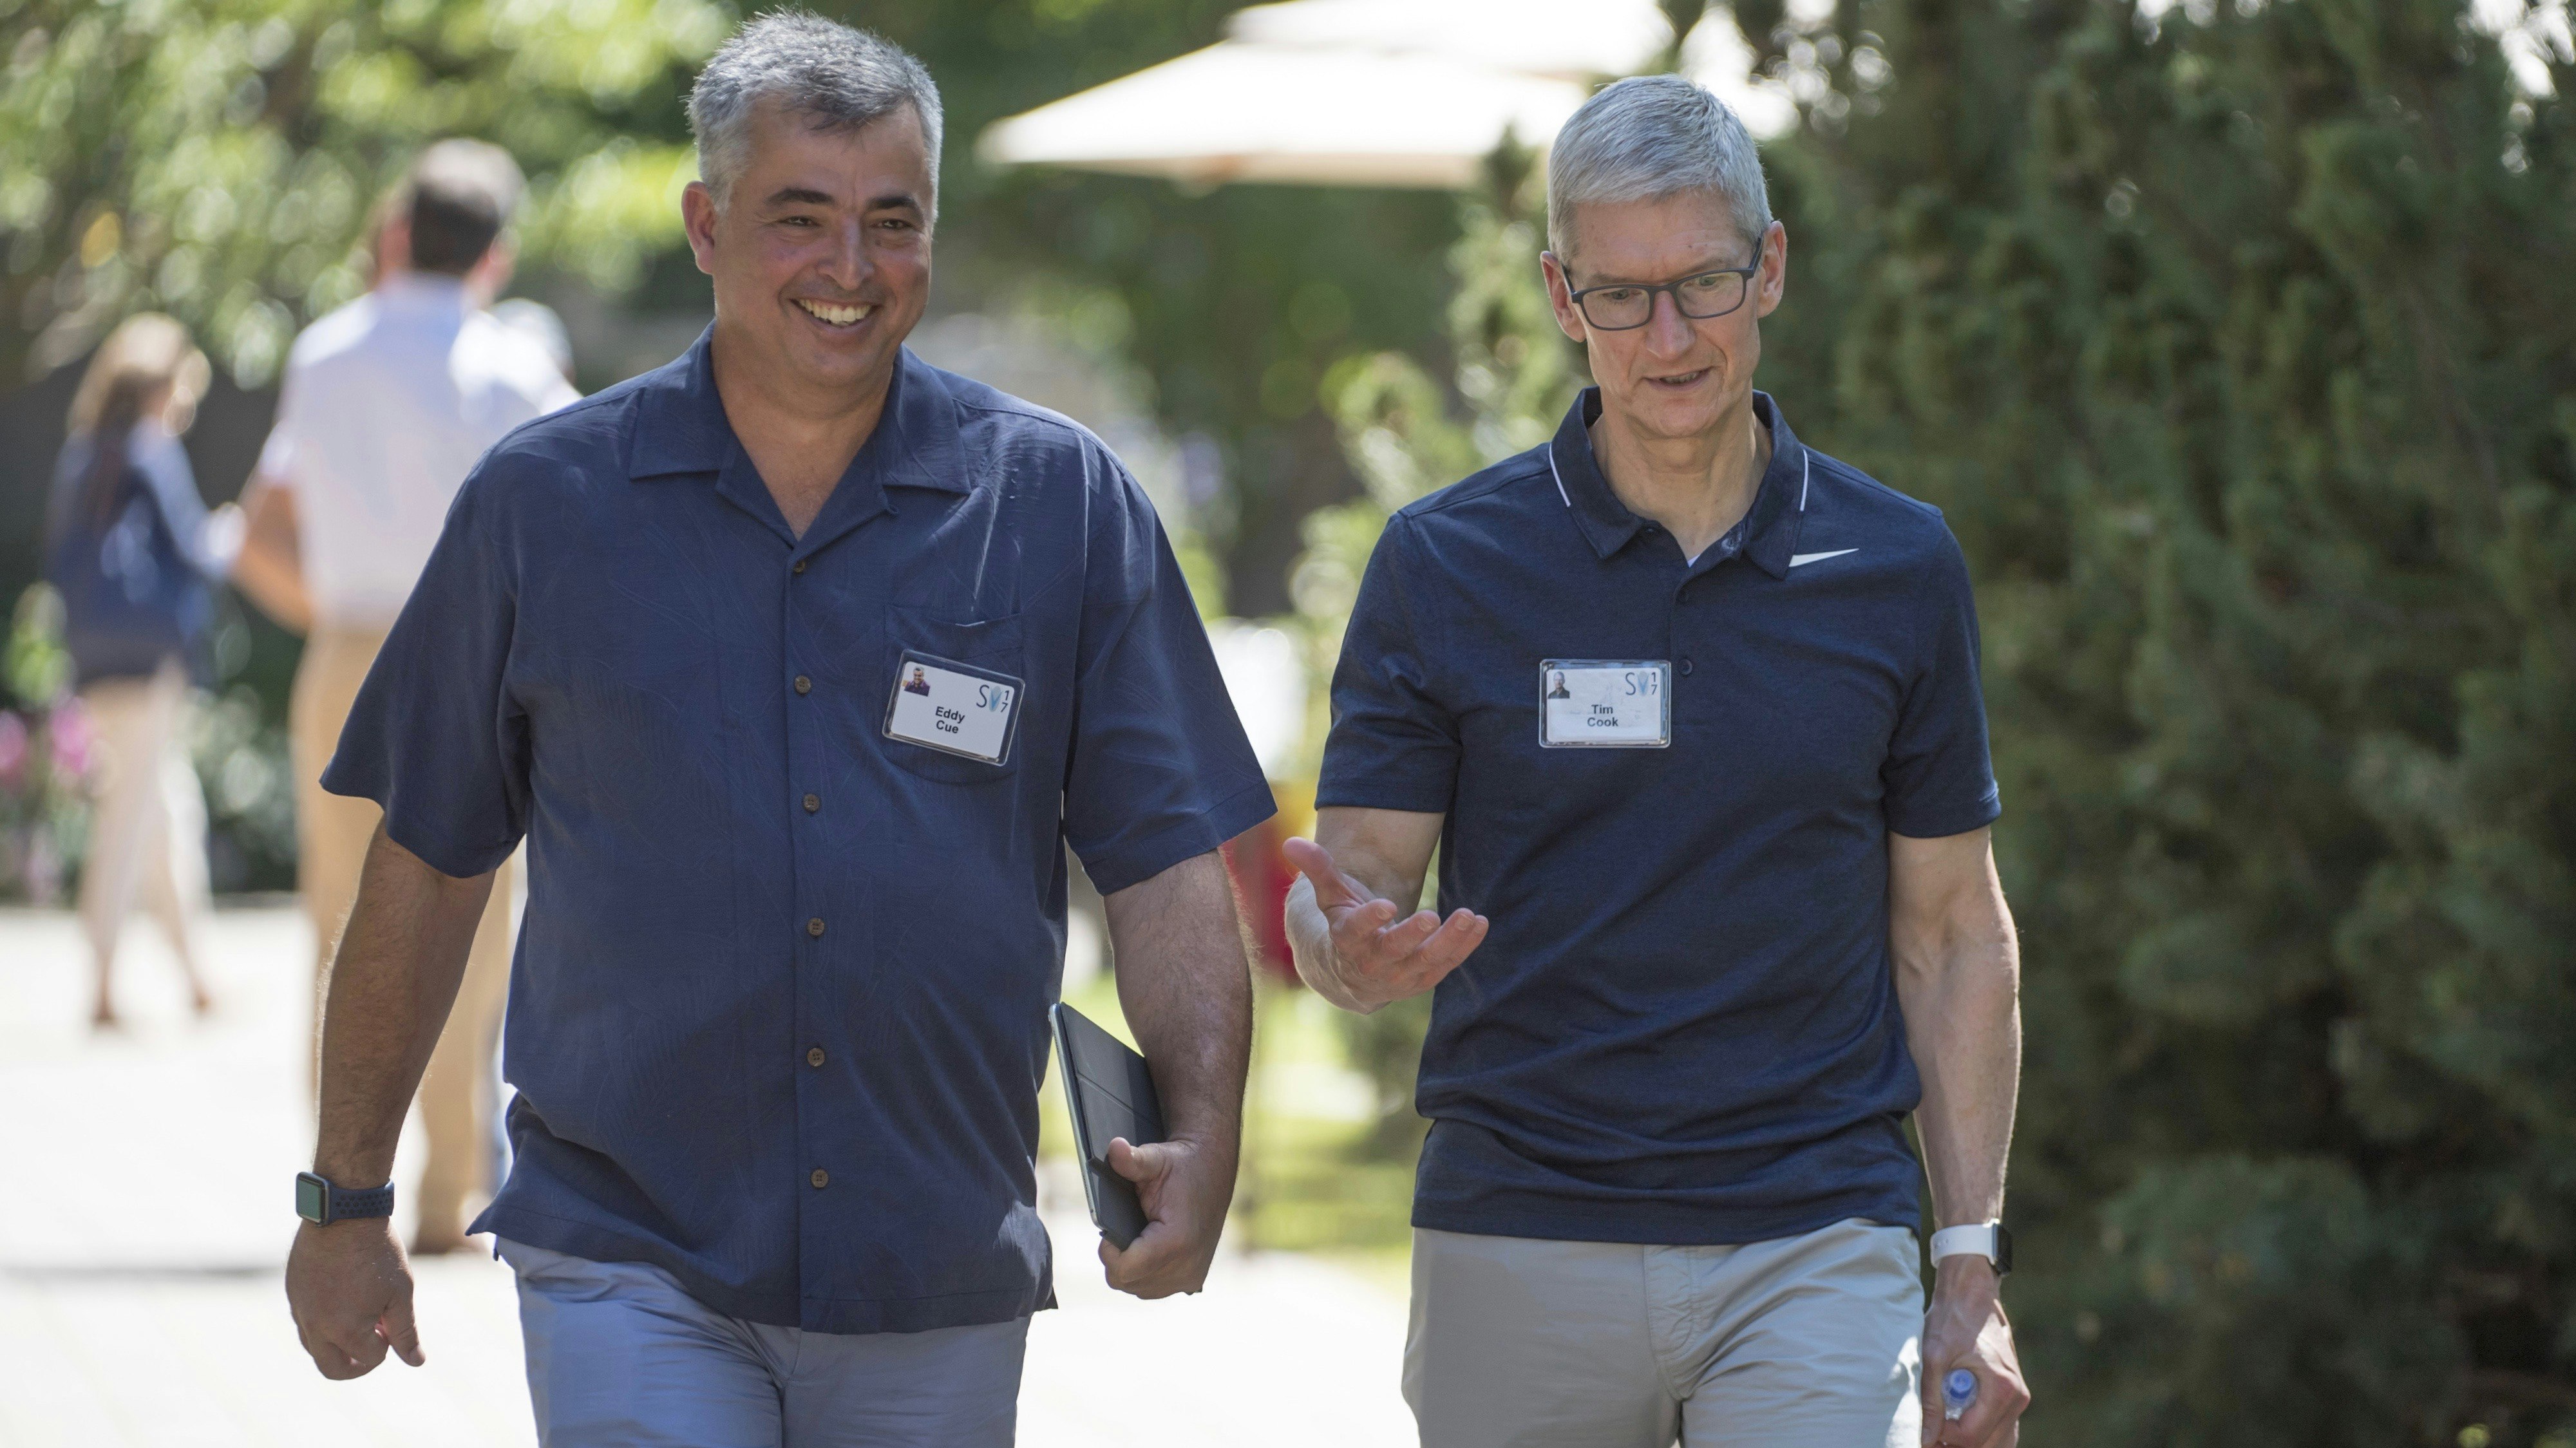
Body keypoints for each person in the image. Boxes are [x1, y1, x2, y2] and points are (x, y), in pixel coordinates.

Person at [282, 16, 1272, 1446]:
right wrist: (346, 1197)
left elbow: (1162, 857)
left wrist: (1201, 1126)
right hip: (628, 1241)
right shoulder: (541, 507)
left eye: (891, 222)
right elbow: (425, 866)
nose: (849, 269)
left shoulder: (1057, 505)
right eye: (799, 218)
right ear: (704, 224)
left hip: (934, 1253)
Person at [1285, 76, 2030, 1448]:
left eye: (1699, 280)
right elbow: (1353, 879)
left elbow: (1949, 930)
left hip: (1814, 1227)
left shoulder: (1896, 565)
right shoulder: (1445, 564)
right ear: (1563, 298)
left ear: (1770, 270)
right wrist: (1340, 943)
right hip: (1520, 1223)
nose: (1666, 334)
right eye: (1620, 295)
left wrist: (1967, 1266)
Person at [231, 138, 580, 1255]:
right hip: (479, 651)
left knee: (337, 914)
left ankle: (342, 1175)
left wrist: (333, 609)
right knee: (476, 920)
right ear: (497, 254)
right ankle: (453, 1186)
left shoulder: (323, 353)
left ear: (395, 235)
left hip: (346, 648)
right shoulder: (515, 366)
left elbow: (259, 525)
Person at [45, 314, 240, 1028]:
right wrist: (234, 534)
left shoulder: (80, 455)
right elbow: (194, 549)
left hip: (96, 653)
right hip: (148, 654)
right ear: (162, 384)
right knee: (132, 815)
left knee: (163, 805)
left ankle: (196, 975)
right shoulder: (151, 448)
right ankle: (100, 981)